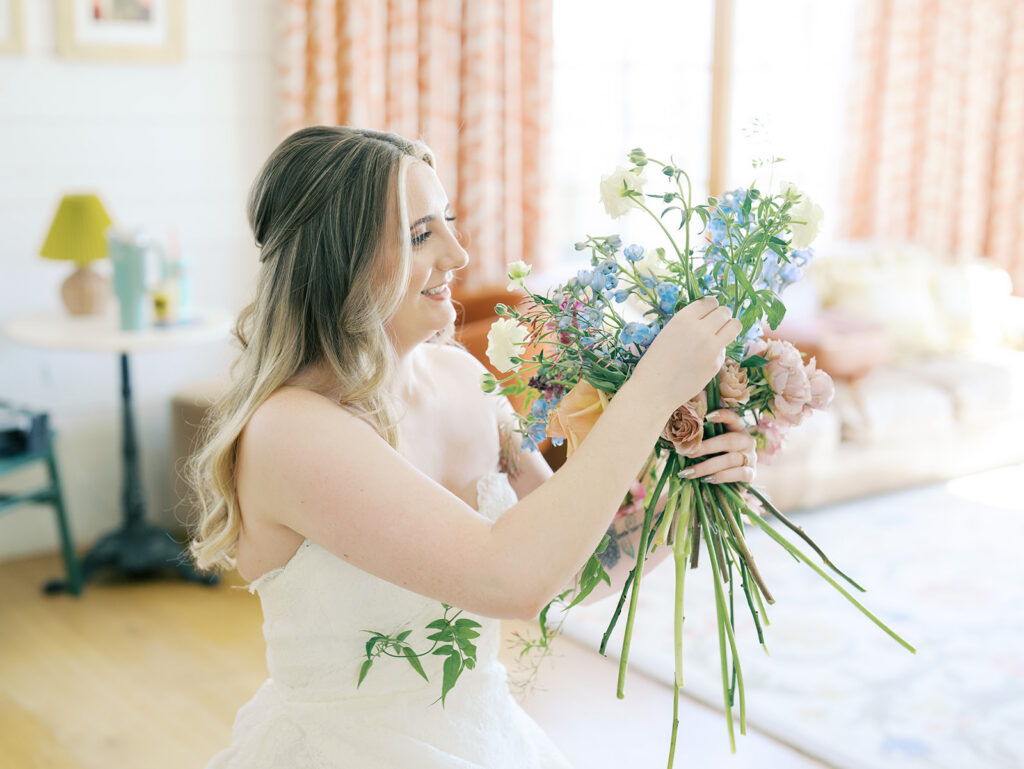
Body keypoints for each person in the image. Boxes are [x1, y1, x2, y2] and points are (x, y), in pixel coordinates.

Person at [189, 125, 757, 768]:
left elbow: (570, 571)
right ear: (339, 259)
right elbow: (507, 576)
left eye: (448, 223)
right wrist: (651, 391)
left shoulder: (465, 379)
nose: (458, 255)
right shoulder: (290, 430)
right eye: (421, 234)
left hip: (485, 739)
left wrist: (688, 489)